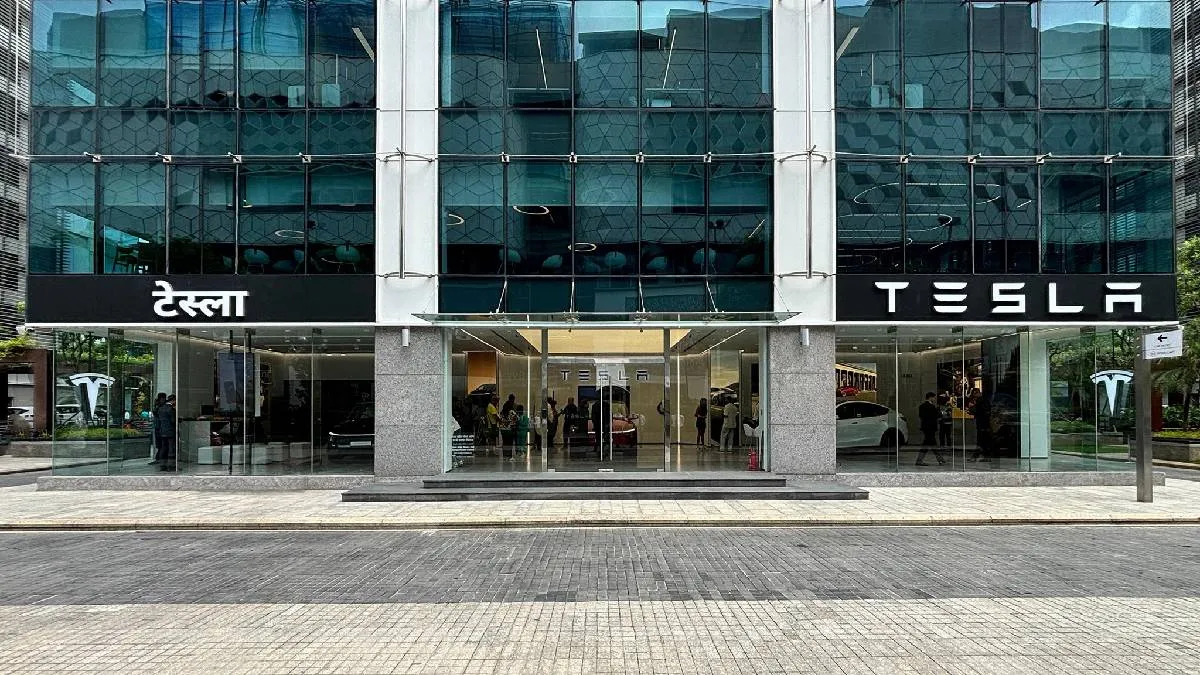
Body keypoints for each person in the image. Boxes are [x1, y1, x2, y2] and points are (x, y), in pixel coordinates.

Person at [916, 392, 946, 466]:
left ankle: (939, 459)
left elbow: (921, 416)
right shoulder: (931, 407)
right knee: (931, 444)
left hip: (925, 427)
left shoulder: (922, 406)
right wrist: (941, 413)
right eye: (933, 397)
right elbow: (936, 415)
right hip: (931, 427)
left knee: (929, 443)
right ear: (930, 397)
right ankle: (939, 459)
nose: (934, 399)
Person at [968, 389, 992, 462]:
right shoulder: (984, 400)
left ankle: (978, 456)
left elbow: (978, 411)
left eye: (974, 394)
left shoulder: (980, 401)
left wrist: (972, 407)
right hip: (984, 423)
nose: (974, 396)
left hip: (982, 423)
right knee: (983, 440)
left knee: (981, 440)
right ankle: (981, 456)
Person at [156, 394, 177, 471]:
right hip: (170, 431)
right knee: (171, 448)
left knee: (163, 448)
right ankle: (171, 466)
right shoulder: (171, 409)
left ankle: (162, 465)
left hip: (162, 431)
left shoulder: (160, 408)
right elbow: (173, 420)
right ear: (173, 401)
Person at [150, 392, 167, 465]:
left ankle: (159, 458)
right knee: (161, 444)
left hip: (159, 427)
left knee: (161, 444)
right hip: (160, 427)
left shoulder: (158, 406)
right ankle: (159, 458)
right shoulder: (159, 407)